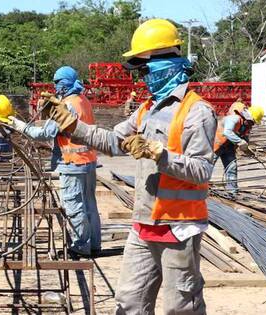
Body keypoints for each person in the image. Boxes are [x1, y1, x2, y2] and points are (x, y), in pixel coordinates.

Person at [41, 19, 216, 314]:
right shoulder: (146, 110)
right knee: (129, 301)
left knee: (181, 307)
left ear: (164, 63)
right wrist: (70, 124)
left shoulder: (197, 112)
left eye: (144, 69)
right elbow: (111, 141)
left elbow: (201, 170)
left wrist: (159, 154)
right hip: (144, 224)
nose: (143, 78)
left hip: (179, 226)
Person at [8, 66, 101, 257]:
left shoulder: (66, 105)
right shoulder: (82, 100)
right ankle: (94, 245)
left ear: (64, 83)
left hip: (72, 162)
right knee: (90, 205)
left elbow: (44, 133)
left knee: (75, 206)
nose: (55, 87)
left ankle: (80, 247)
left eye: (57, 83)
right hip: (88, 161)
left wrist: (18, 125)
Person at [213, 102, 264, 194]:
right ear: (248, 117)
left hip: (228, 146)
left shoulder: (245, 124)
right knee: (207, 167)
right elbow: (227, 132)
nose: (252, 125)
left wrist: (247, 149)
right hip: (216, 145)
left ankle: (232, 192)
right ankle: (198, 188)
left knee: (231, 168)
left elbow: (244, 137)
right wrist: (240, 142)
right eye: (252, 122)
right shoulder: (234, 118)